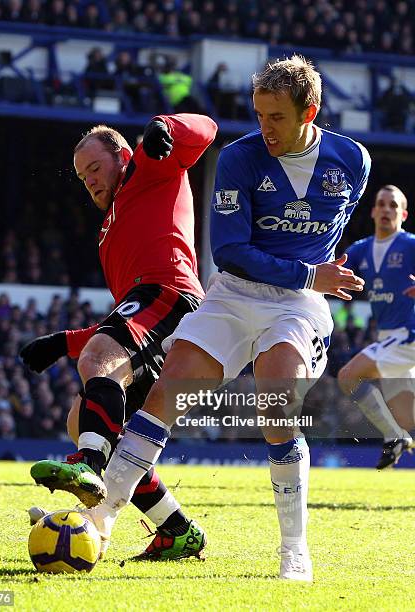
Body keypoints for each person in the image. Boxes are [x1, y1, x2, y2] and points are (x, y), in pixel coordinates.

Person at [84, 55, 370, 581]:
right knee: (164, 393)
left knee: (275, 402)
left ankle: (294, 551)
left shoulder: (352, 160)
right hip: (236, 293)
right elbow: (231, 251)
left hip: (297, 303)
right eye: (258, 115)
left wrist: (316, 279)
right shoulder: (240, 158)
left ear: (311, 111)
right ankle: (97, 519)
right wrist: (311, 273)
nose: (264, 127)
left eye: (276, 117)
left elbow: (326, 237)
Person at [22, 113, 217, 559]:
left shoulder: (150, 167)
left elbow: (206, 129)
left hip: (174, 295)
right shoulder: (108, 230)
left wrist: (166, 126)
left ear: (122, 156)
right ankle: (178, 530)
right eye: (81, 176)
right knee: (83, 419)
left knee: (95, 371)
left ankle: (90, 467)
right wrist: (61, 342)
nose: (88, 181)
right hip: (160, 311)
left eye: (94, 168)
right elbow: (124, 327)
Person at [338, 185, 415, 469]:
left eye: (393, 205)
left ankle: (393, 437)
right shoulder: (360, 250)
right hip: (390, 339)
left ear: (403, 214)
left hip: (409, 336)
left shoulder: (410, 245)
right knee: (408, 417)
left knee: (348, 376)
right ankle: (397, 435)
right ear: (372, 211)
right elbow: (335, 271)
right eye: (381, 204)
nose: (386, 209)